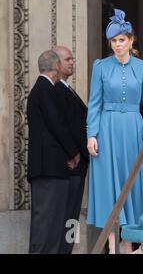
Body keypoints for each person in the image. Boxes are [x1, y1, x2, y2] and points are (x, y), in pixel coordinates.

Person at [86, 9, 143, 254]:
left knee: (134, 184)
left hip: (133, 128)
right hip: (107, 130)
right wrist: (91, 134)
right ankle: (114, 247)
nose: (117, 45)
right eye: (114, 41)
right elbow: (94, 103)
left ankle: (128, 243)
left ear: (131, 40)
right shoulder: (101, 66)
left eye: (122, 40)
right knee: (111, 186)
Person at [27, 50, 80, 253]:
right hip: (48, 169)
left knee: (56, 224)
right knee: (46, 225)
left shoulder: (44, 89)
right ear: (56, 66)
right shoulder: (45, 89)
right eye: (65, 61)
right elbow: (58, 125)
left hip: (53, 169)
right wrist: (73, 153)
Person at [52, 46, 89, 254]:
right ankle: (63, 250)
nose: (71, 62)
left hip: (78, 167)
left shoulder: (67, 88)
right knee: (67, 215)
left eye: (72, 59)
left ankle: (68, 250)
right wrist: (81, 152)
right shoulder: (57, 90)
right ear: (56, 64)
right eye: (67, 59)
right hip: (70, 167)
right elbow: (68, 127)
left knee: (73, 215)